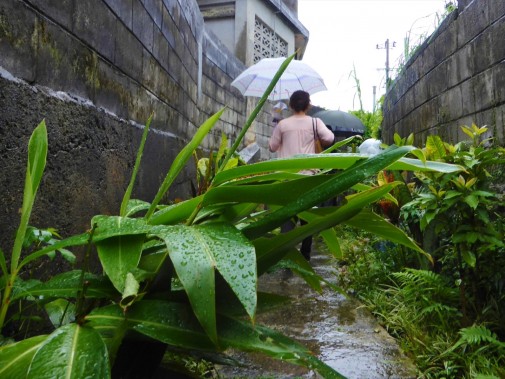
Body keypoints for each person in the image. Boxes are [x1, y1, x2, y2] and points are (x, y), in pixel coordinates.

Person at [268, 90, 335, 261]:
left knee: (287, 220)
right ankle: (305, 256)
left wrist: (276, 125)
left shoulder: (282, 125)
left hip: (287, 179)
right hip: (308, 179)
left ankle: (286, 257)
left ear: (290, 105)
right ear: (308, 105)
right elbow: (329, 138)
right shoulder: (315, 122)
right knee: (307, 219)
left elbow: (272, 147)